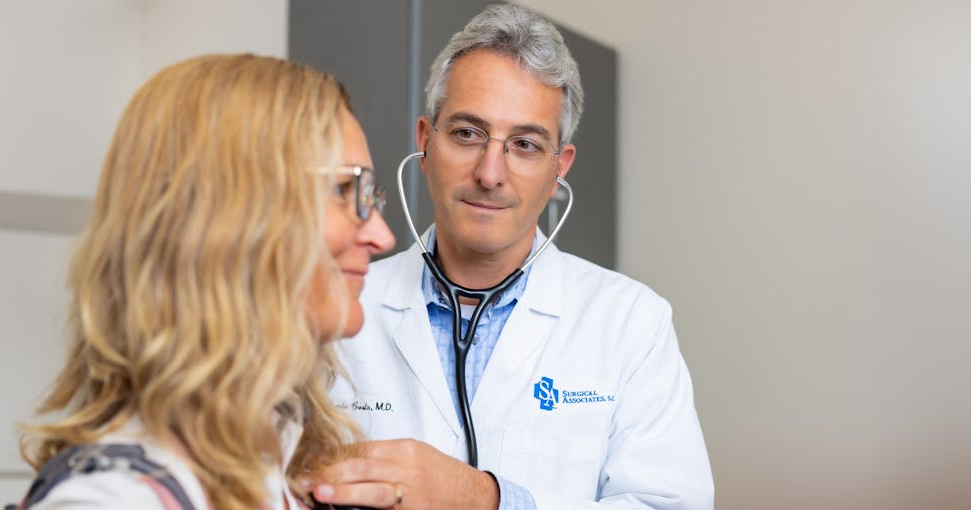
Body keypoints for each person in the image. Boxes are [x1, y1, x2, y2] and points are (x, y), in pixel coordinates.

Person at [306, 5, 714, 510]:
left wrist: (488, 500)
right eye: (467, 133)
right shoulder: (332, 303)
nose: (491, 173)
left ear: (559, 168)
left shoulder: (631, 322)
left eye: (524, 144)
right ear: (424, 140)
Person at [16, 53, 394, 510]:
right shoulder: (114, 501)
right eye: (344, 190)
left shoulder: (284, 468)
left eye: (371, 198)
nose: (381, 235)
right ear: (232, 219)